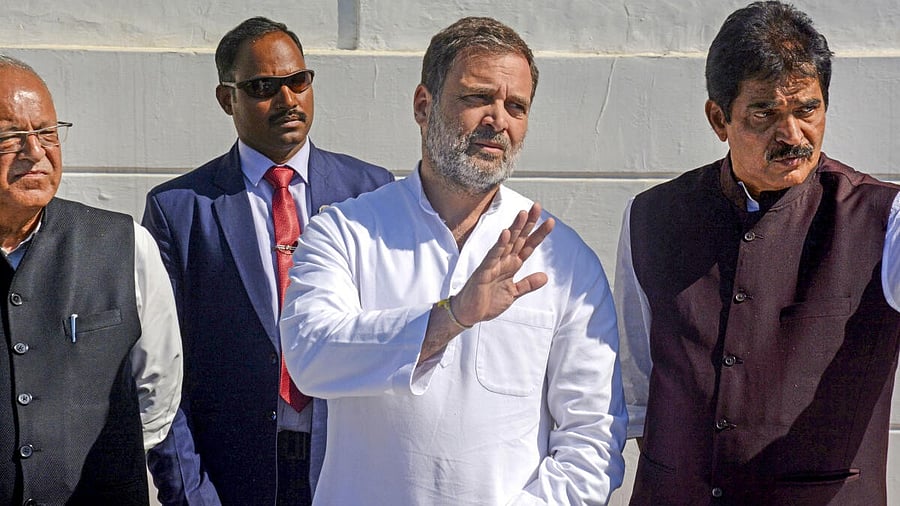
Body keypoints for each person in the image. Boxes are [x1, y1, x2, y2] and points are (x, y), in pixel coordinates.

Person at [280, 16, 627, 505]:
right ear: (424, 106)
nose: (498, 120)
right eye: (477, 97)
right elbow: (309, 357)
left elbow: (591, 440)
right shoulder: (345, 231)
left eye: (516, 106)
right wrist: (452, 316)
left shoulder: (563, 260)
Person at [616, 2, 900, 504]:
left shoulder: (884, 219)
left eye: (807, 109)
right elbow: (639, 386)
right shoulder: (652, 217)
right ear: (718, 118)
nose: (792, 135)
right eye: (765, 113)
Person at [143, 16, 394, 506]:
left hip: (351, 469)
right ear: (226, 99)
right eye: (263, 87)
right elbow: (165, 372)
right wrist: (190, 494)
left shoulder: (371, 191)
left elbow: (394, 336)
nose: (288, 100)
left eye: (298, 81)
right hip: (234, 478)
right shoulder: (179, 209)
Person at [0, 55, 182, 505]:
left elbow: (158, 384)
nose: (36, 152)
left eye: (46, 132)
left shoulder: (125, 244)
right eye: (10, 137)